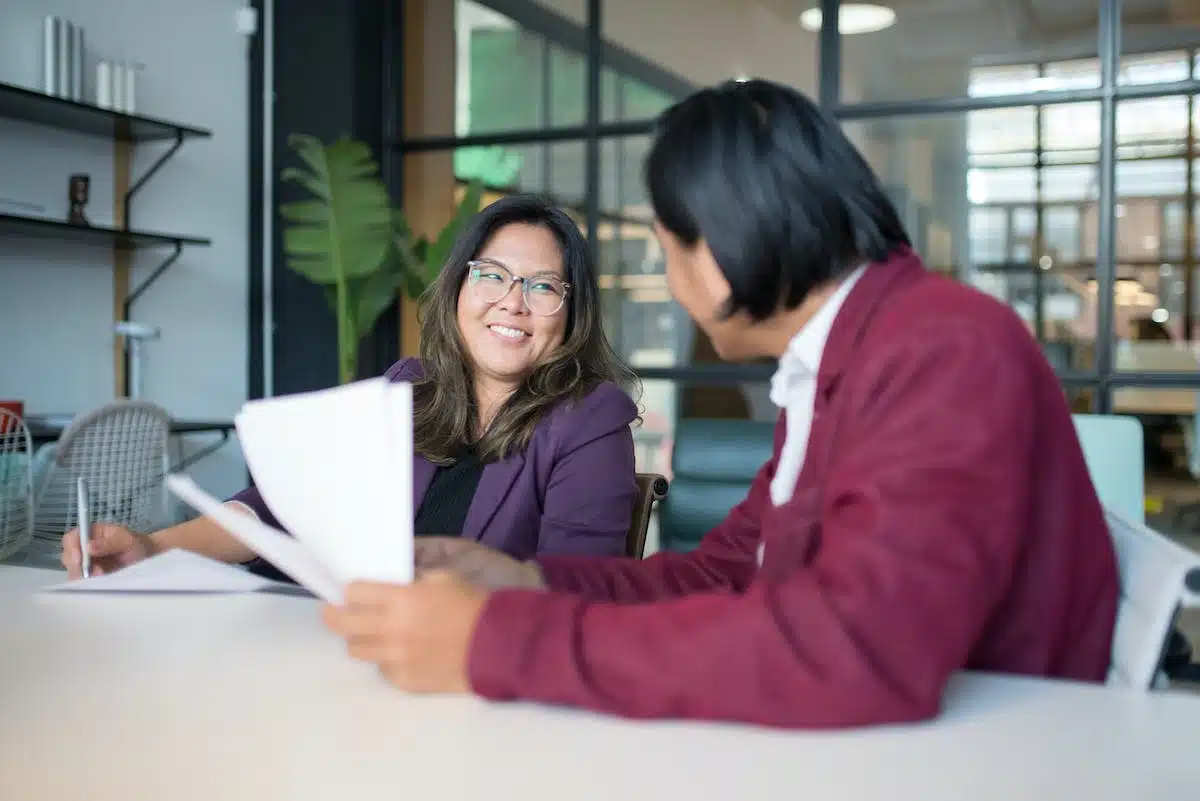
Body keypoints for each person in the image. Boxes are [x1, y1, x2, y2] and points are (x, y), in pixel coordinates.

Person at [321, 80, 1120, 728]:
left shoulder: (942, 347)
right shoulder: (838, 362)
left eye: (669, 252)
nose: (672, 284)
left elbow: (856, 651)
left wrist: (492, 641)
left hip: (991, 753)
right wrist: (524, 579)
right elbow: (724, 572)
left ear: (727, 246)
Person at [61, 195, 641, 578]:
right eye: (491, 275)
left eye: (543, 287)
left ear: (571, 312)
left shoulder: (591, 419)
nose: (511, 302)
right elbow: (279, 509)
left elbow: (575, 589)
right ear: (459, 289)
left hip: (475, 679)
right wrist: (154, 550)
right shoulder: (409, 391)